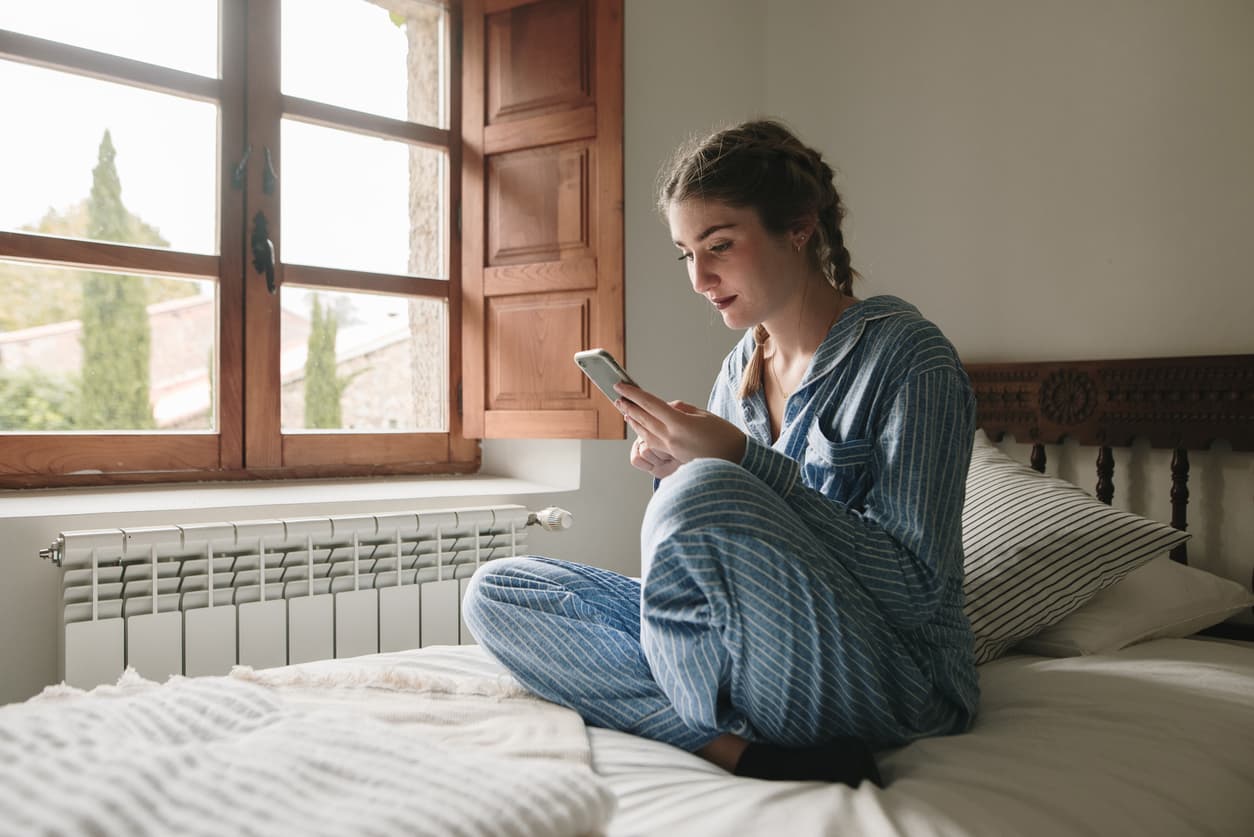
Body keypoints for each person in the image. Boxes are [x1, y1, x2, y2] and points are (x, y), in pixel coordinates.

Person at [463, 119, 979, 788]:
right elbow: (694, 575)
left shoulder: (909, 358)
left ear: (798, 228)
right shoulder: (740, 368)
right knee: (499, 590)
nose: (700, 277)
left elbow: (915, 592)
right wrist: (674, 473)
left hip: (897, 676)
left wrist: (737, 465)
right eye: (685, 253)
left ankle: (692, 717)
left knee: (704, 489)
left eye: (720, 246)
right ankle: (736, 750)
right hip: (761, 647)